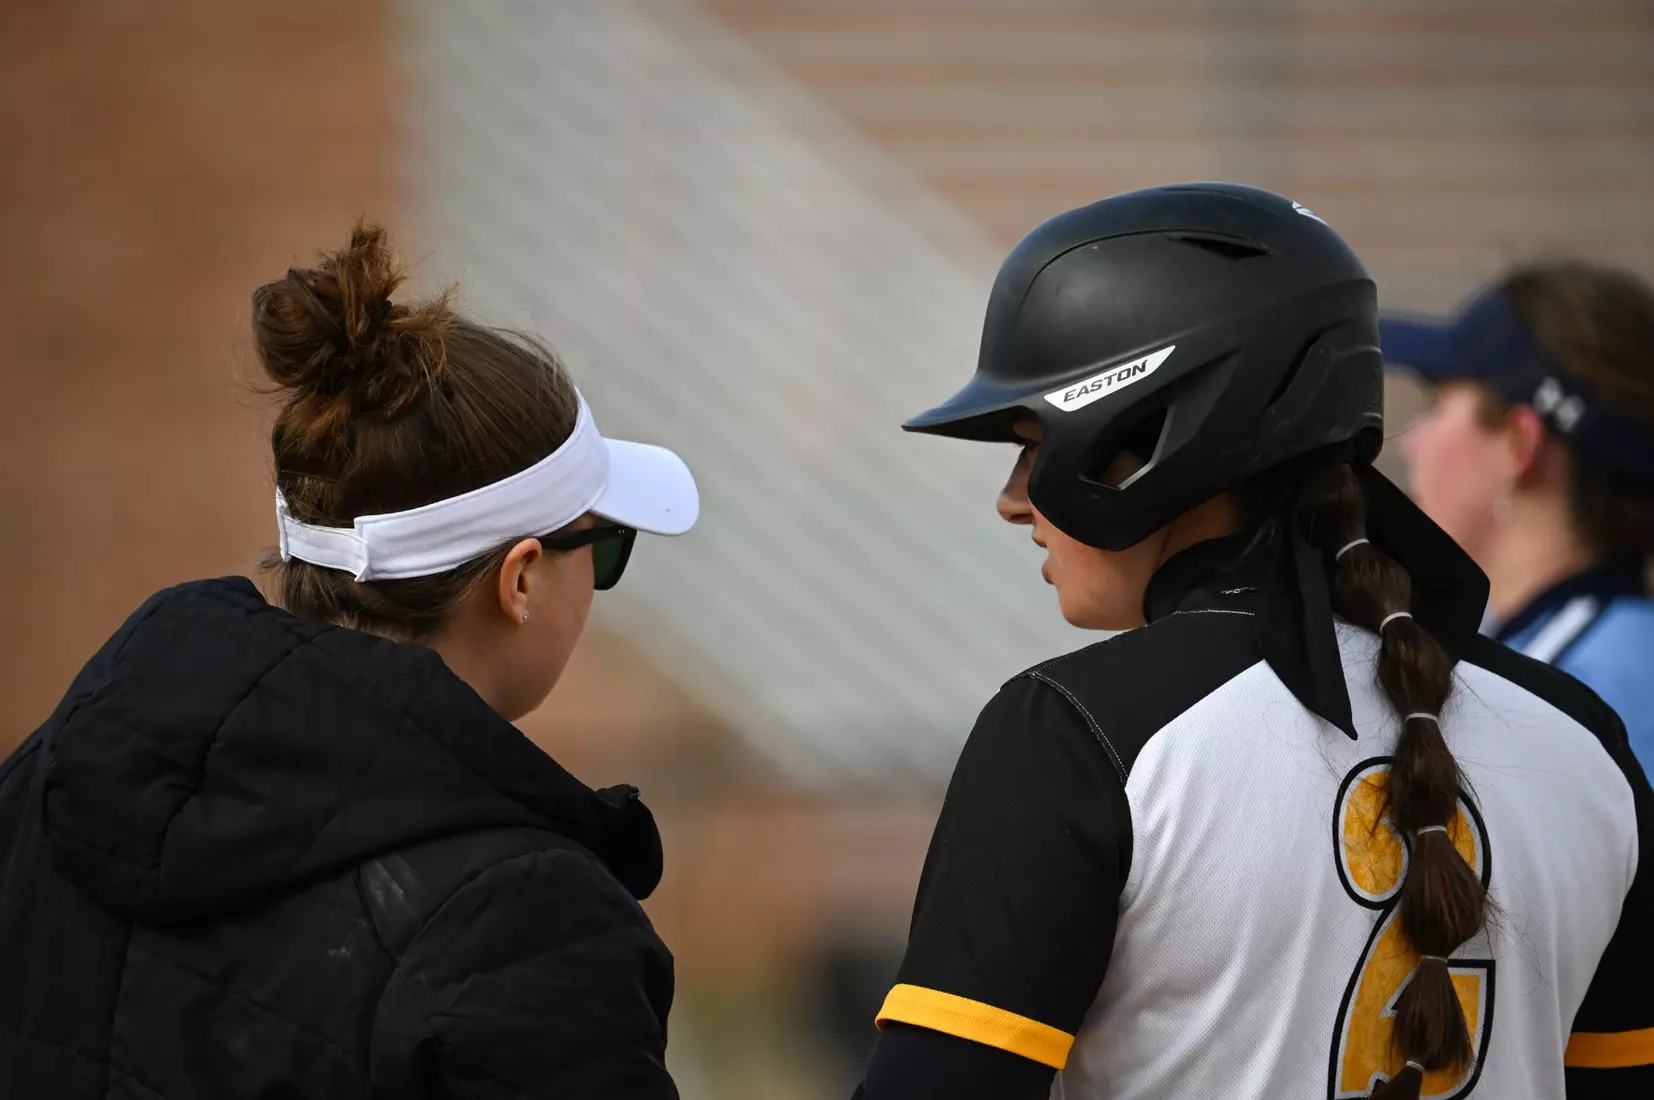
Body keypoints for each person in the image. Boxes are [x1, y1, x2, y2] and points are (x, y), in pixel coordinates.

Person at [852, 185, 1654, 1099]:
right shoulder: (1584, 743)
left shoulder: (1074, 735)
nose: (1013, 498)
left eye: (1035, 442)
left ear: (1143, 435)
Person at [0, 224, 696, 1098]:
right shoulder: (530, 927)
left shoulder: (52, 777)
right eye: (602, 549)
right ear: (520, 579)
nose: (598, 581)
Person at [1382, 264, 1654, 768]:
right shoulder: (1556, 653)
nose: (1414, 443)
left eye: (1438, 404)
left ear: (1519, 444)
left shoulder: (1594, 698)